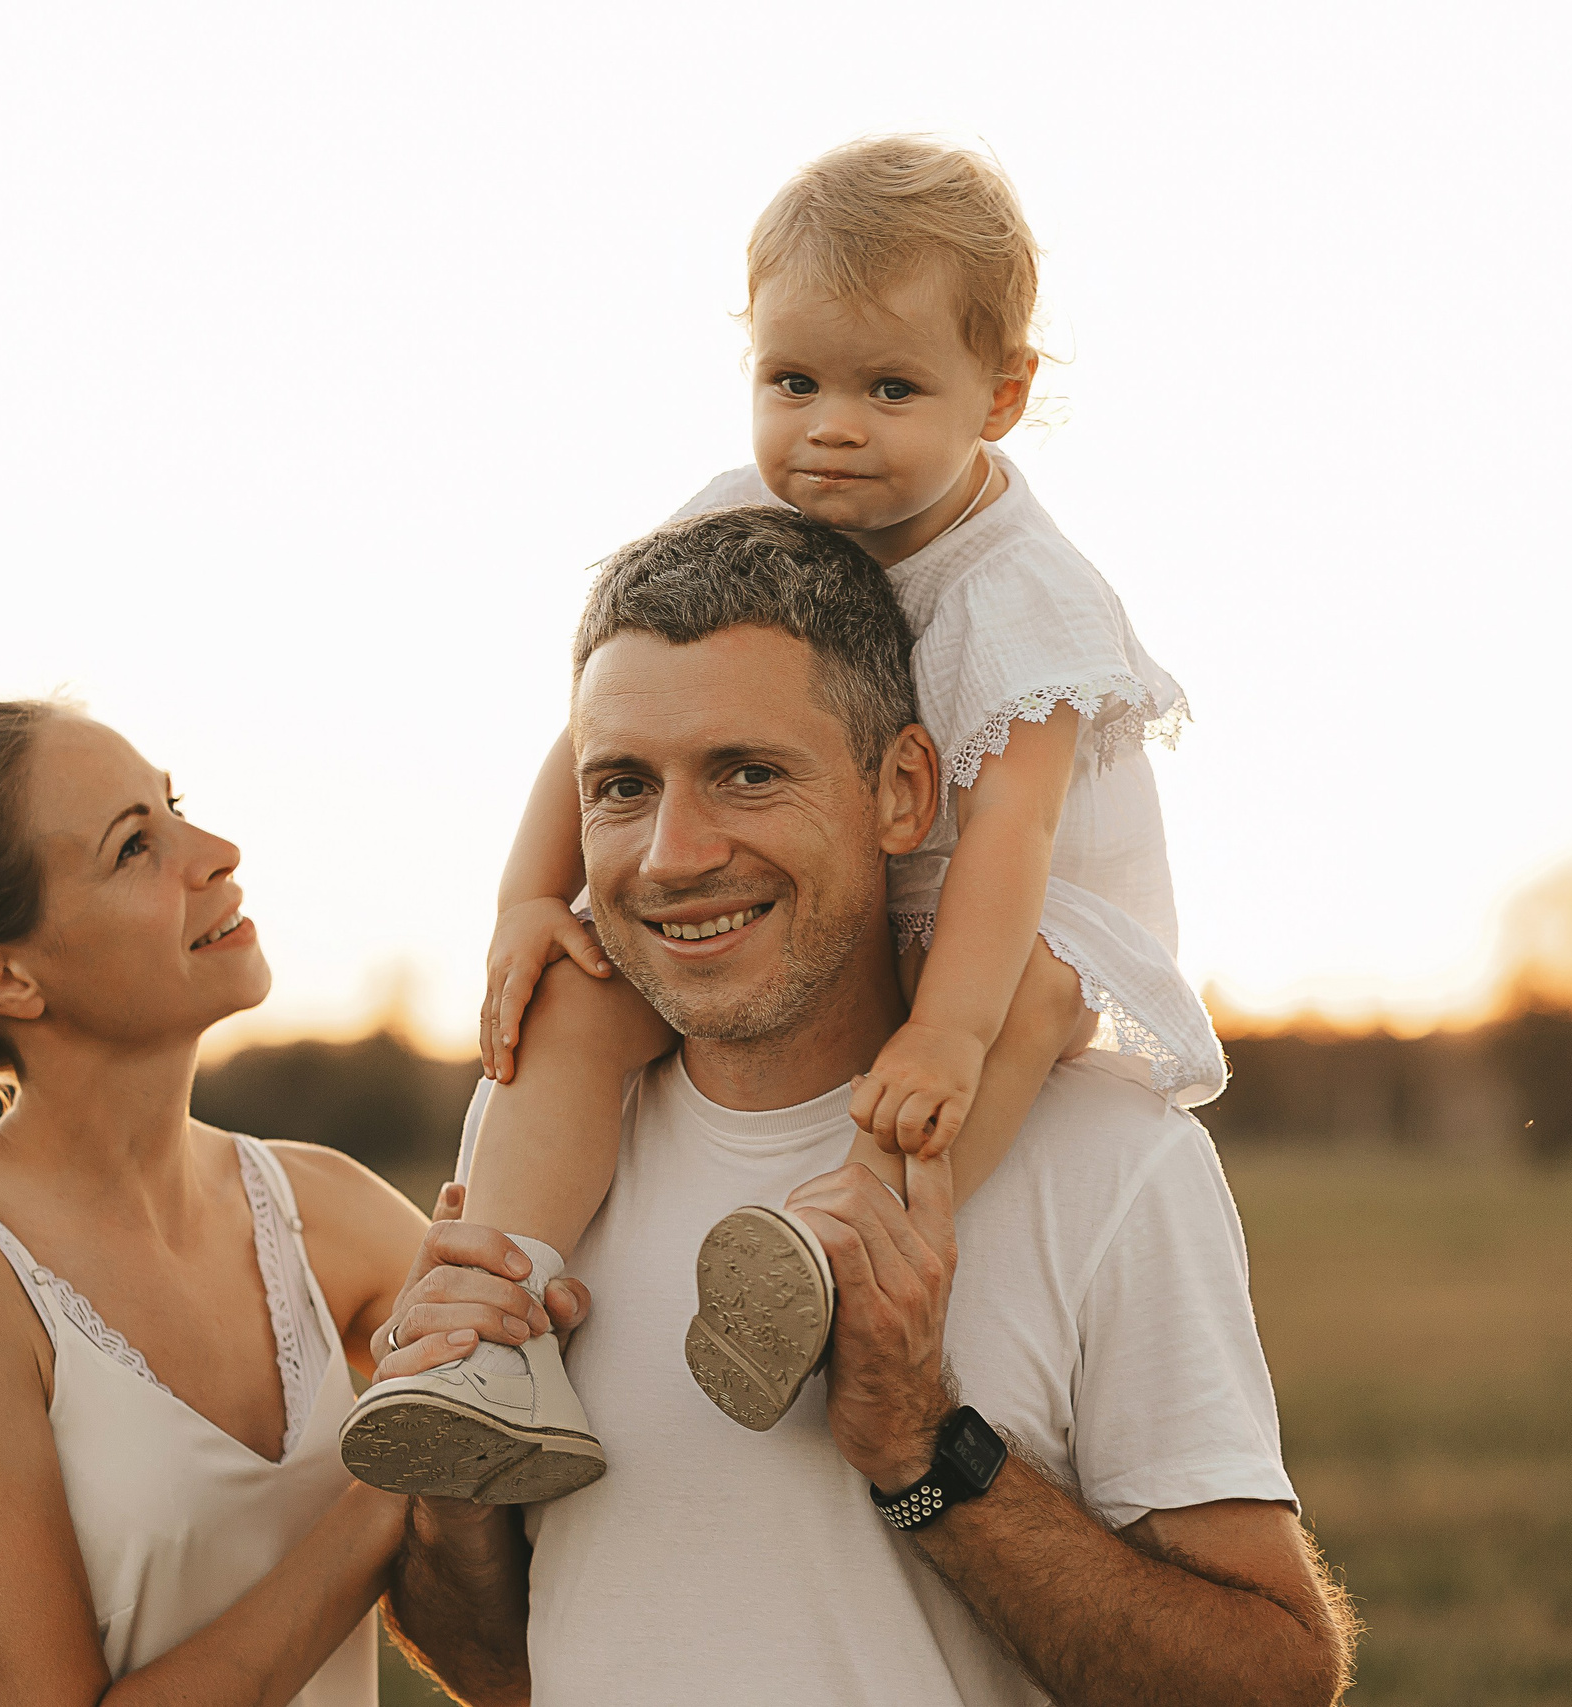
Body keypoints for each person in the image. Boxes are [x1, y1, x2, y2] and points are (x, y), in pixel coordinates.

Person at [342, 134, 1231, 1492]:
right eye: (792, 379)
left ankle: (839, 1247)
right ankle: (495, 1316)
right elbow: (605, 714)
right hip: (820, 880)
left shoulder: (1026, 592)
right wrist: (529, 898)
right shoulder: (743, 511)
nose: (830, 425)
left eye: (891, 387)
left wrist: (944, 1025)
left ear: (999, 398)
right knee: (582, 994)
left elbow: (1014, 839)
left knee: (1027, 1010)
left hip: (1013, 912)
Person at [373, 511, 1353, 1705]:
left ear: (901, 791)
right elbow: (495, 1665)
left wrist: (923, 1448)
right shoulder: (539, 1137)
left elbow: (1273, 1683)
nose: (672, 855)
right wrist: (453, 1488)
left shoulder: (1107, 1159)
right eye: (621, 788)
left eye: (747, 774)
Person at [0, 700, 585, 1706]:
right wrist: (396, 1482)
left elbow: (511, 1561)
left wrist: (511, 1351)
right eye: (135, 845)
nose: (218, 851)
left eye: (173, 805)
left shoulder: (328, 1209)